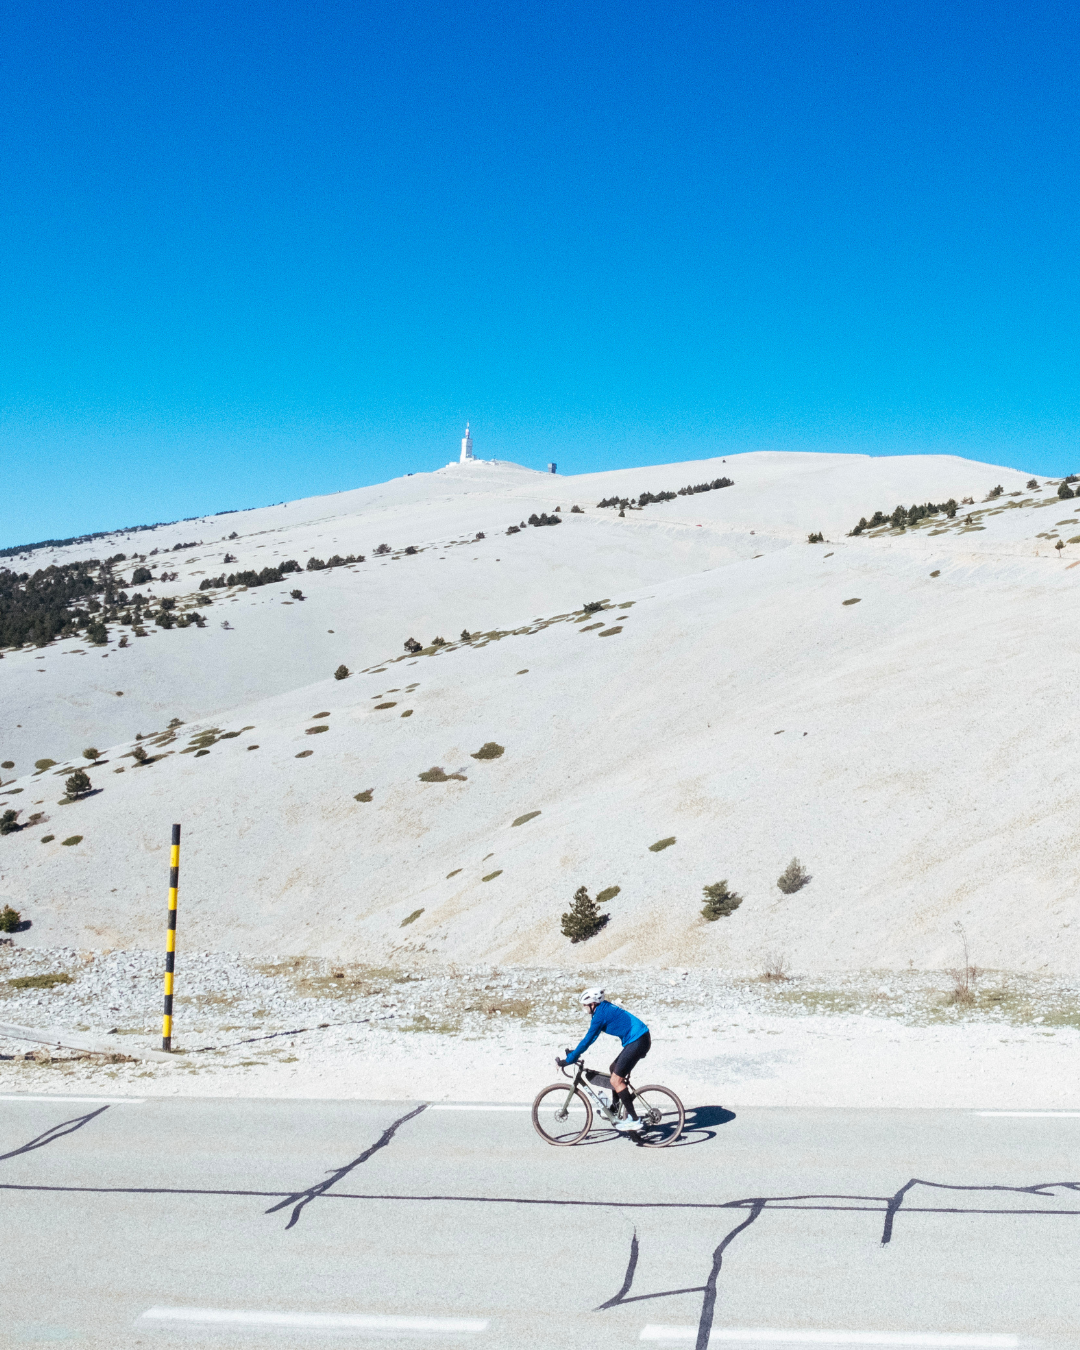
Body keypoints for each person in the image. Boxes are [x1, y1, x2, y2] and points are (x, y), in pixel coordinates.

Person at [558, 988, 651, 1133]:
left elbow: (588, 1040)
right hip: (638, 1039)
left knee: (615, 1080)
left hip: (638, 1041)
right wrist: (574, 1053)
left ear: (593, 1004)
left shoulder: (600, 1015)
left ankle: (634, 1119)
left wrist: (570, 1059)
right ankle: (615, 1107)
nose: (583, 1008)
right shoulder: (603, 1008)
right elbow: (590, 1039)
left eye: (584, 1005)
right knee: (613, 1069)